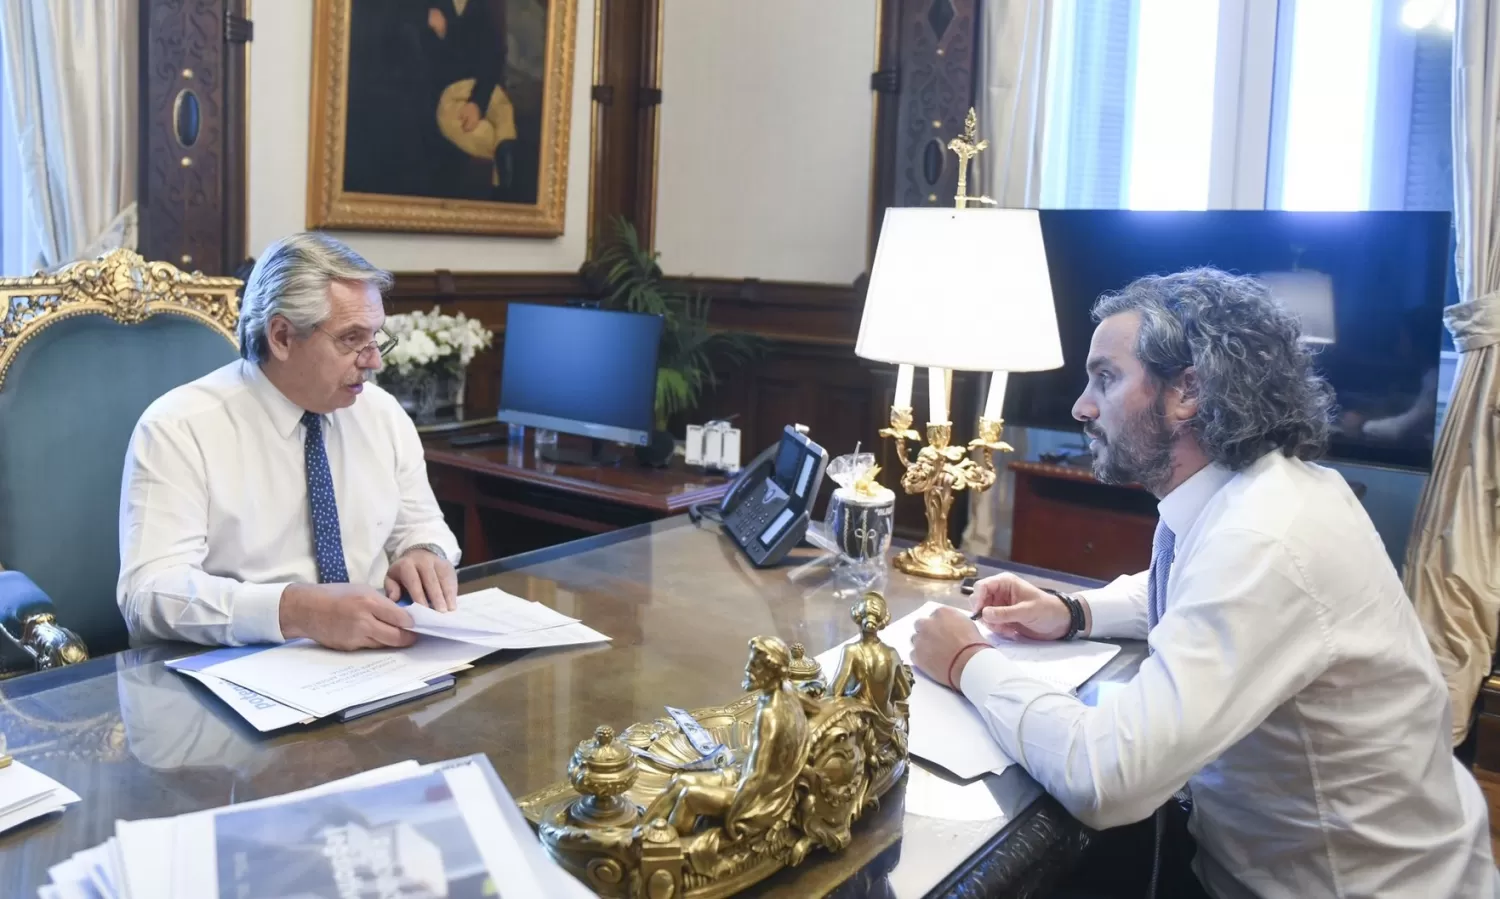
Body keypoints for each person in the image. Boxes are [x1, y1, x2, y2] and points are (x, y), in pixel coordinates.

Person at [910, 268, 1496, 898]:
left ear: (1187, 391)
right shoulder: (1269, 491)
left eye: (1104, 378)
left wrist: (968, 660)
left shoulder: (1267, 539)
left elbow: (1109, 777)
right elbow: (1184, 590)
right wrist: (1071, 611)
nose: (1082, 406)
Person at [117, 232, 461, 651]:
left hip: (375, 663)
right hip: (231, 672)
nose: (375, 360)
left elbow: (422, 525)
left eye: (376, 337)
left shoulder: (381, 412)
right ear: (281, 336)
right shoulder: (179, 427)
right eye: (352, 339)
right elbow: (149, 591)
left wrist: (425, 552)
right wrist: (297, 611)